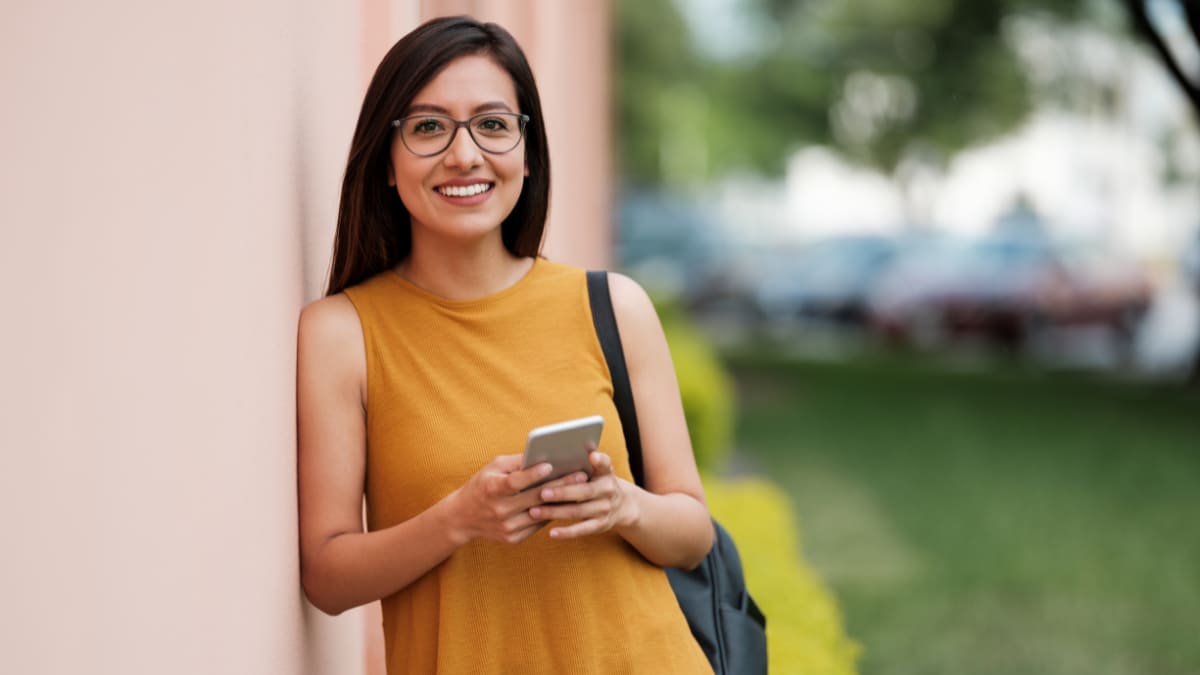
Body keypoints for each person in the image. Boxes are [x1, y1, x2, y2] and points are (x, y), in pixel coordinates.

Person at [297, 15, 714, 674]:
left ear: (527, 152)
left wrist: (622, 504)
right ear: (386, 158)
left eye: (492, 124)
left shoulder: (614, 306)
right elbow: (326, 574)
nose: (464, 155)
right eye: (429, 127)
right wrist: (458, 518)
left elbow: (694, 533)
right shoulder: (341, 331)